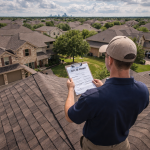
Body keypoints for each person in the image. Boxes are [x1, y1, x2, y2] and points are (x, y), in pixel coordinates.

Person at [64, 36, 149, 150]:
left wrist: (70, 89)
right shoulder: (143, 91)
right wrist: (104, 88)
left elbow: (70, 117)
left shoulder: (92, 97)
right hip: (123, 145)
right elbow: (121, 102)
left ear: (110, 60)